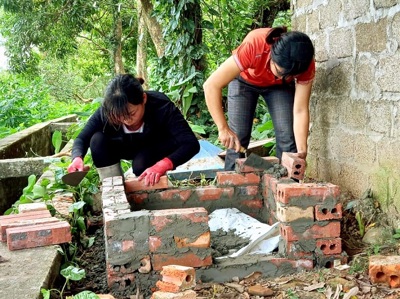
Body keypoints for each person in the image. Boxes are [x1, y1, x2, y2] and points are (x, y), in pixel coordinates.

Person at [203, 26, 315, 170]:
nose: (284, 77)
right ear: (272, 56)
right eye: (281, 71)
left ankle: (286, 186)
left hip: (279, 88)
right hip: (244, 81)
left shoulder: (304, 64)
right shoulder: (255, 44)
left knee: (288, 140)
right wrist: (223, 128)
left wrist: (301, 151)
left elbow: (300, 110)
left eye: (290, 76)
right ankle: (232, 185)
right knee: (238, 138)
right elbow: (211, 85)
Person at [67, 74, 200, 186]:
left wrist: (163, 164)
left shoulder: (161, 106)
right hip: (123, 146)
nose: (126, 120)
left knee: (140, 166)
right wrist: (77, 158)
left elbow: (191, 143)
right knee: (96, 140)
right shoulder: (107, 111)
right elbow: (82, 138)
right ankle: (114, 187)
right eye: (119, 116)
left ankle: (156, 188)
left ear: (143, 99)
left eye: (131, 114)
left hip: (154, 146)